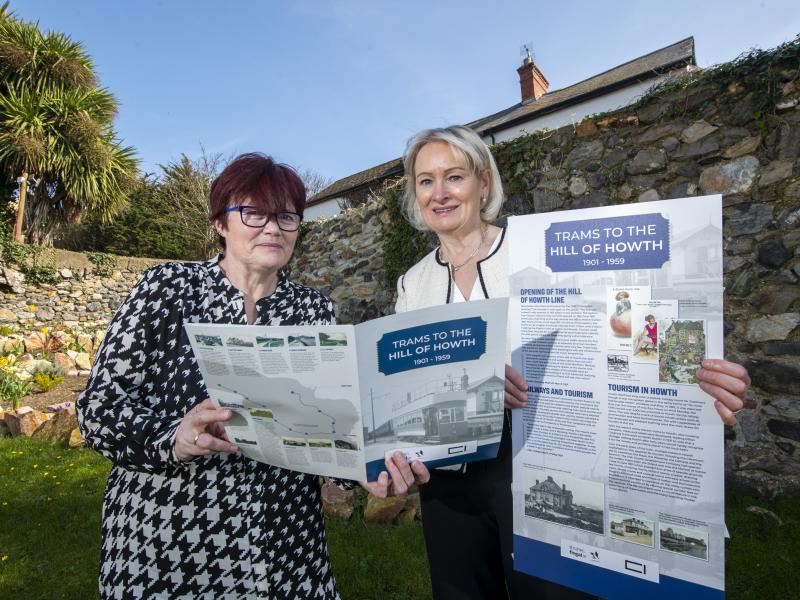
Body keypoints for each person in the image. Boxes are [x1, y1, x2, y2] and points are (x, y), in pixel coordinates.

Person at [394, 125, 751, 599]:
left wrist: (695, 384)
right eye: (425, 181)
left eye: (454, 177)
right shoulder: (411, 283)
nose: (439, 193)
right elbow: (405, 385)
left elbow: (614, 332)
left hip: (531, 458)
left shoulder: (536, 251)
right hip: (445, 478)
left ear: (483, 182)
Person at [76, 153, 419, 599]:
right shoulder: (166, 289)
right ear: (221, 223)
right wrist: (173, 438)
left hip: (284, 546)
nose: (272, 228)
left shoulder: (313, 310)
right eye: (253, 212)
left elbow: (330, 425)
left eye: (286, 216)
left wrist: (361, 470)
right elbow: (99, 409)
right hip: (169, 538)